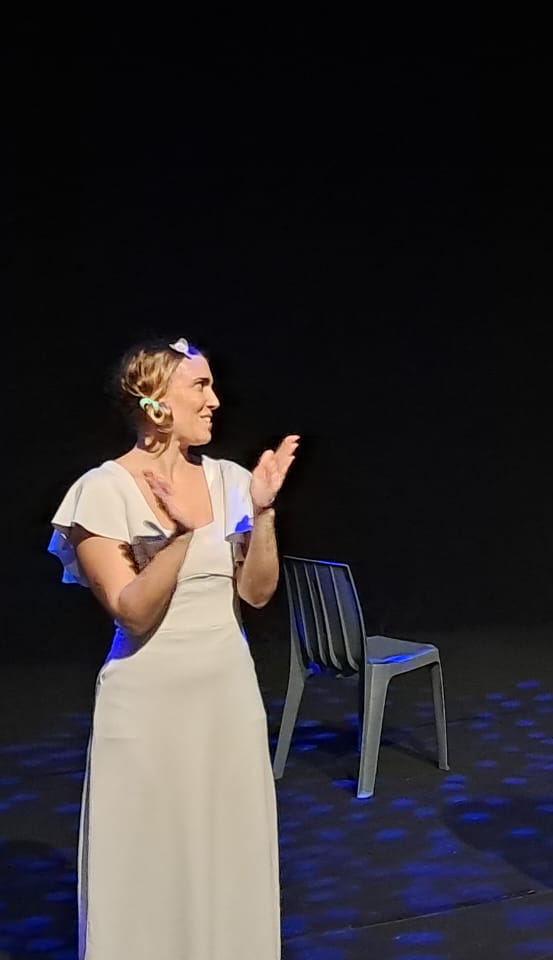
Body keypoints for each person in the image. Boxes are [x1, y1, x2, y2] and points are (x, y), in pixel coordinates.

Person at [49, 337, 299, 959]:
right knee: (146, 858)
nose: (215, 401)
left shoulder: (231, 481)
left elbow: (257, 593)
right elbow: (132, 612)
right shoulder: (102, 490)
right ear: (155, 402)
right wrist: (184, 538)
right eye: (200, 387)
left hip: (226, 697)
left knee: (227, 851)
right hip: (147, 703)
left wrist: (263, 513)